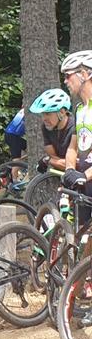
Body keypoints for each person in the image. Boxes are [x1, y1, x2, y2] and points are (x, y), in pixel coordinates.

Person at [61, 50, 92, 224]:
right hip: (85, 181)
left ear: (84, 74)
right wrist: (70, 170)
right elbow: (73, 147)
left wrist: (84, 175)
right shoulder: (80, 109)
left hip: (87, 176)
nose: (65, 81)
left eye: (68, 75)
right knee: (83, 234)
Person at [29, 88, 74, 173]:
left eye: (48, 114)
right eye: (43, 114)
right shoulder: (46, 128)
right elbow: (53, 157)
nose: (44, 118)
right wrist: (50, 160)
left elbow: (76, 164)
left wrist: (47, 160)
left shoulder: (75, 128)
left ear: (62, 112)